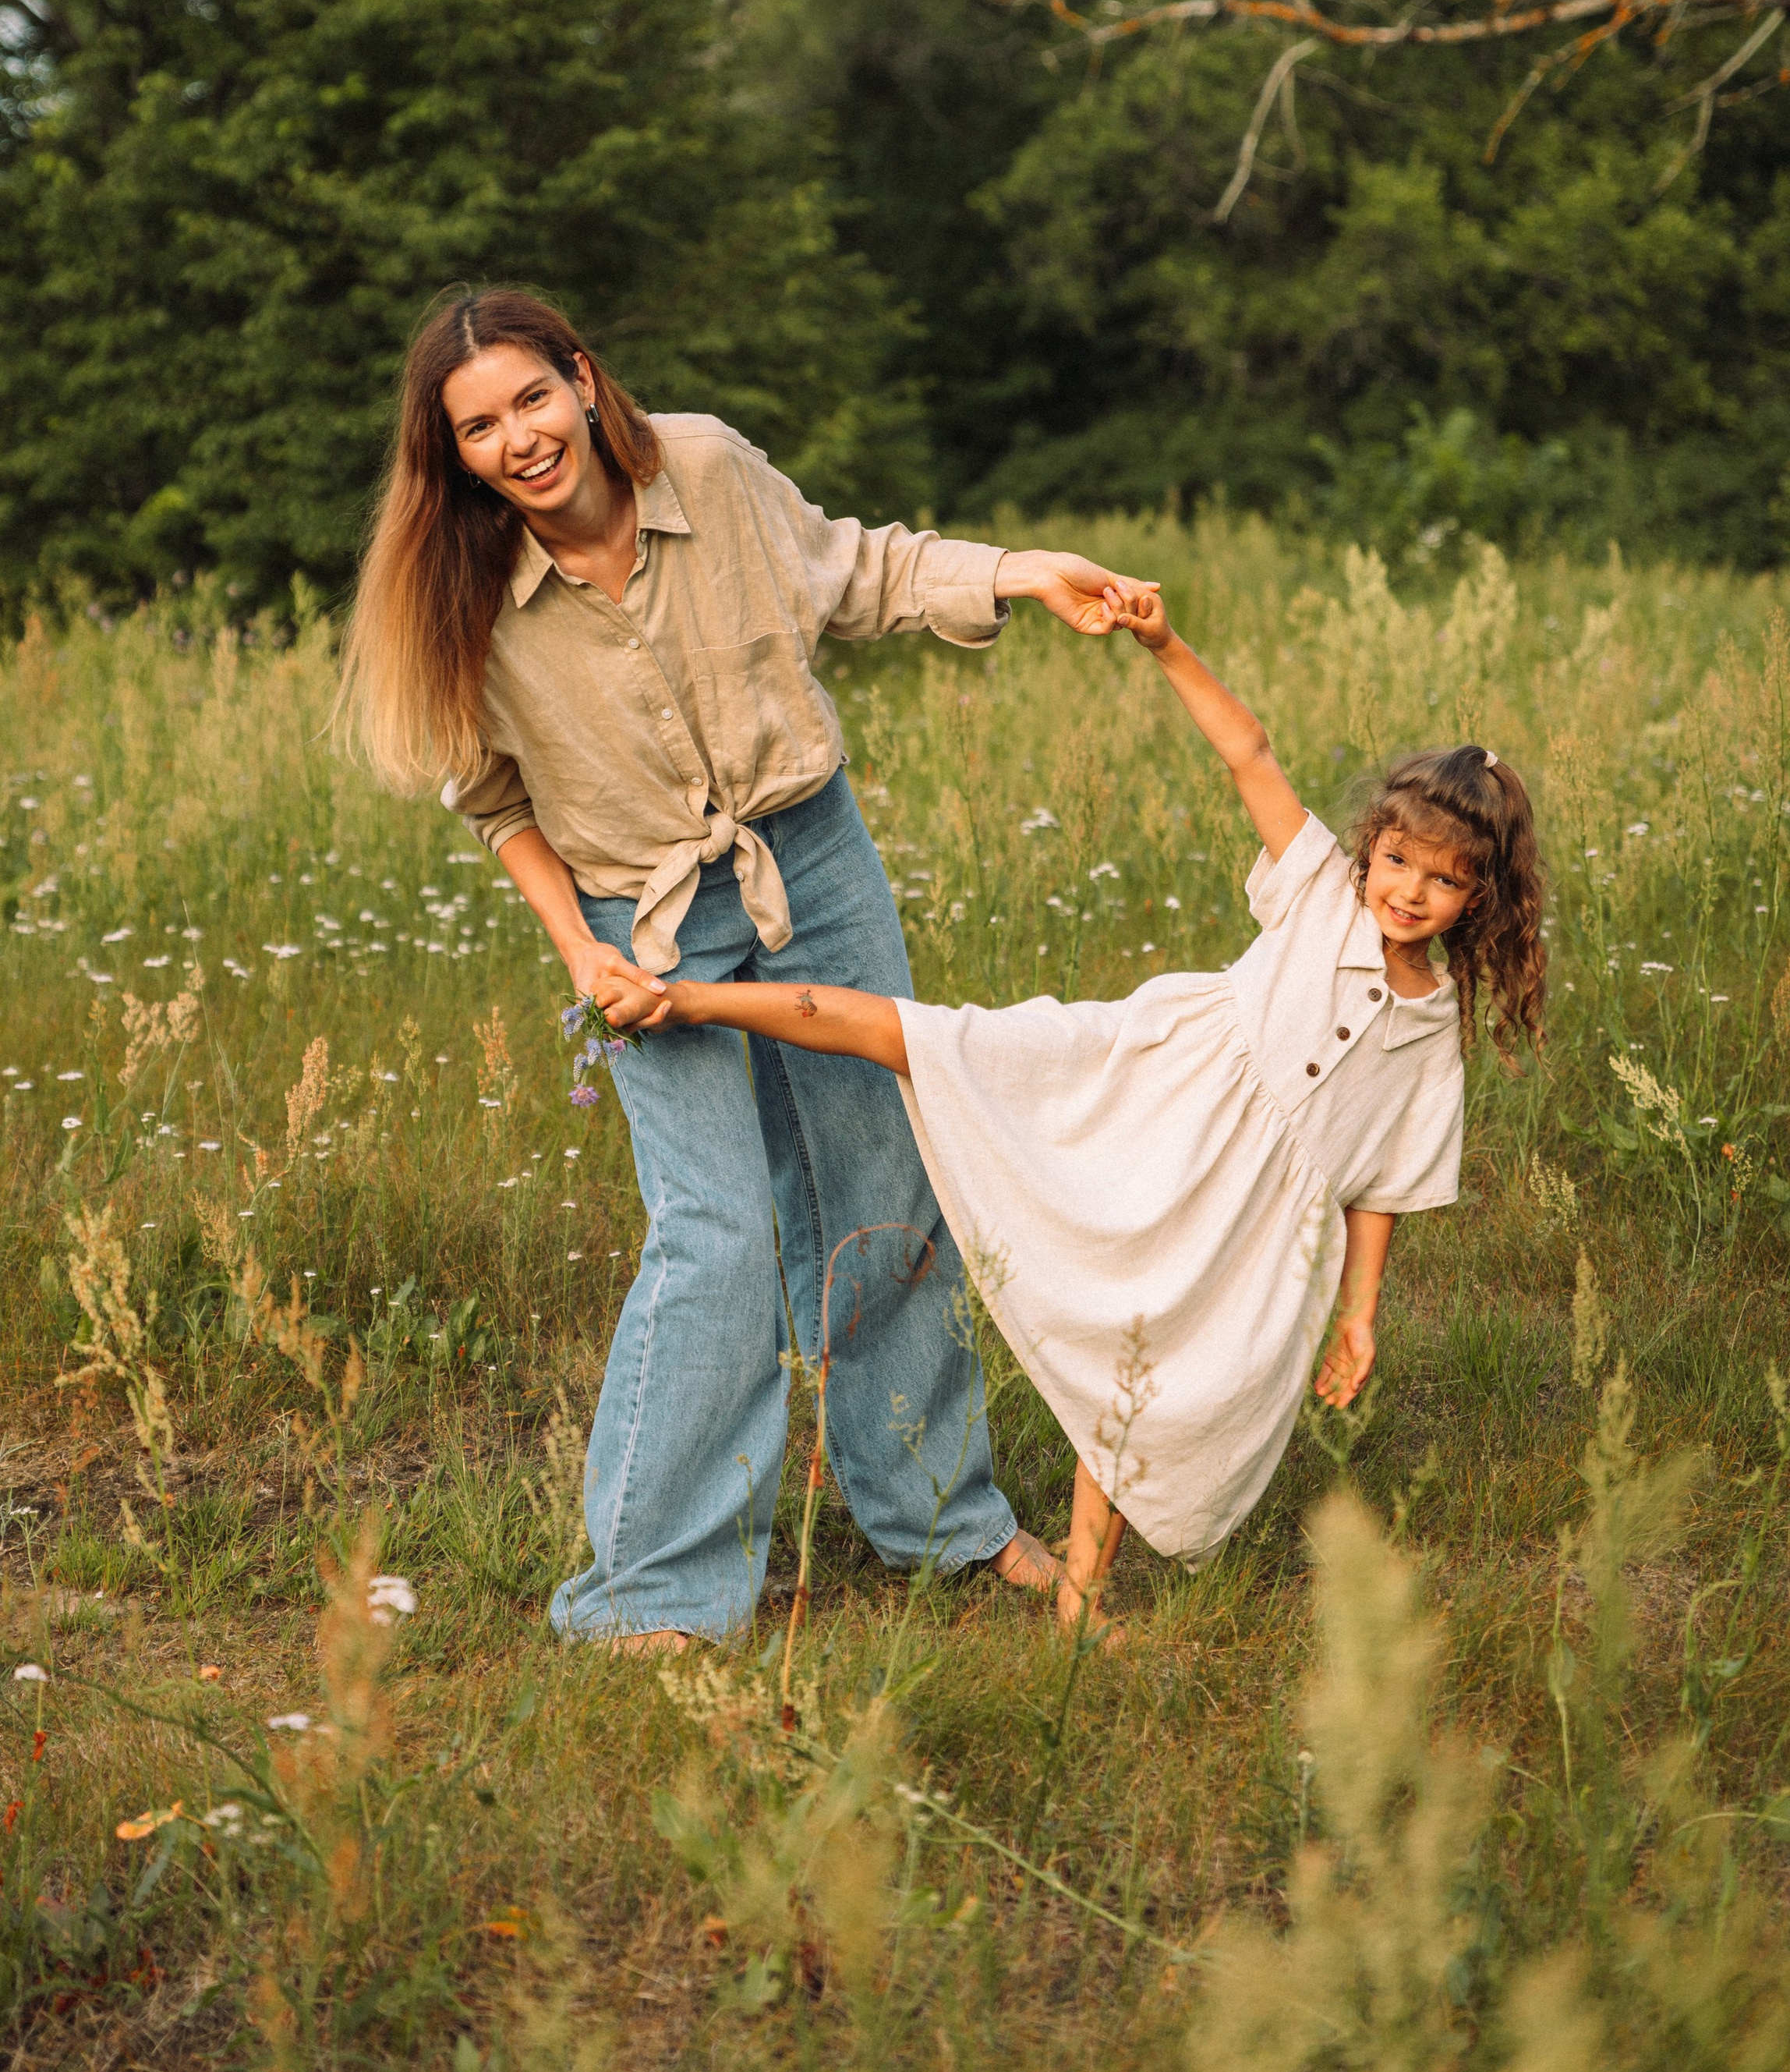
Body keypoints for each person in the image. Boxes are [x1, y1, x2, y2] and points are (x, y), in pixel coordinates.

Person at [334, 288, 1154, 1646]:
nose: (518, 439)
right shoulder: (461, 588)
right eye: (478, 427)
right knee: (715, 1231)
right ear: (454, 455)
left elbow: (857, 568)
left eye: (532, 398)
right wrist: (581, 952)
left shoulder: (707, 468)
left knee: (887, 1186)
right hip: (640, 919)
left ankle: (941, 1519)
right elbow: (494, 801)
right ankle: (650, 1588)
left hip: (812, 864)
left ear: (582, 380)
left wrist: (1021, 570)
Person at [633, 583, 1548, 1638]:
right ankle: (689, 999)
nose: (1410, 892)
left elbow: (1381, 1183)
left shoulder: (1432, 1031)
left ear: (1481, 896)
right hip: (1146, 1094)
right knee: (935, 1041)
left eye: (1444, 881)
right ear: (1371, 846)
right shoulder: (1318, 896)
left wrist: (1358, 1314)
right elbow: (1249, 752)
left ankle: (1081, 1593)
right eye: (1397, 860)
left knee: (1144, 1362)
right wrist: (1165, 643)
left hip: (1243, 1216)